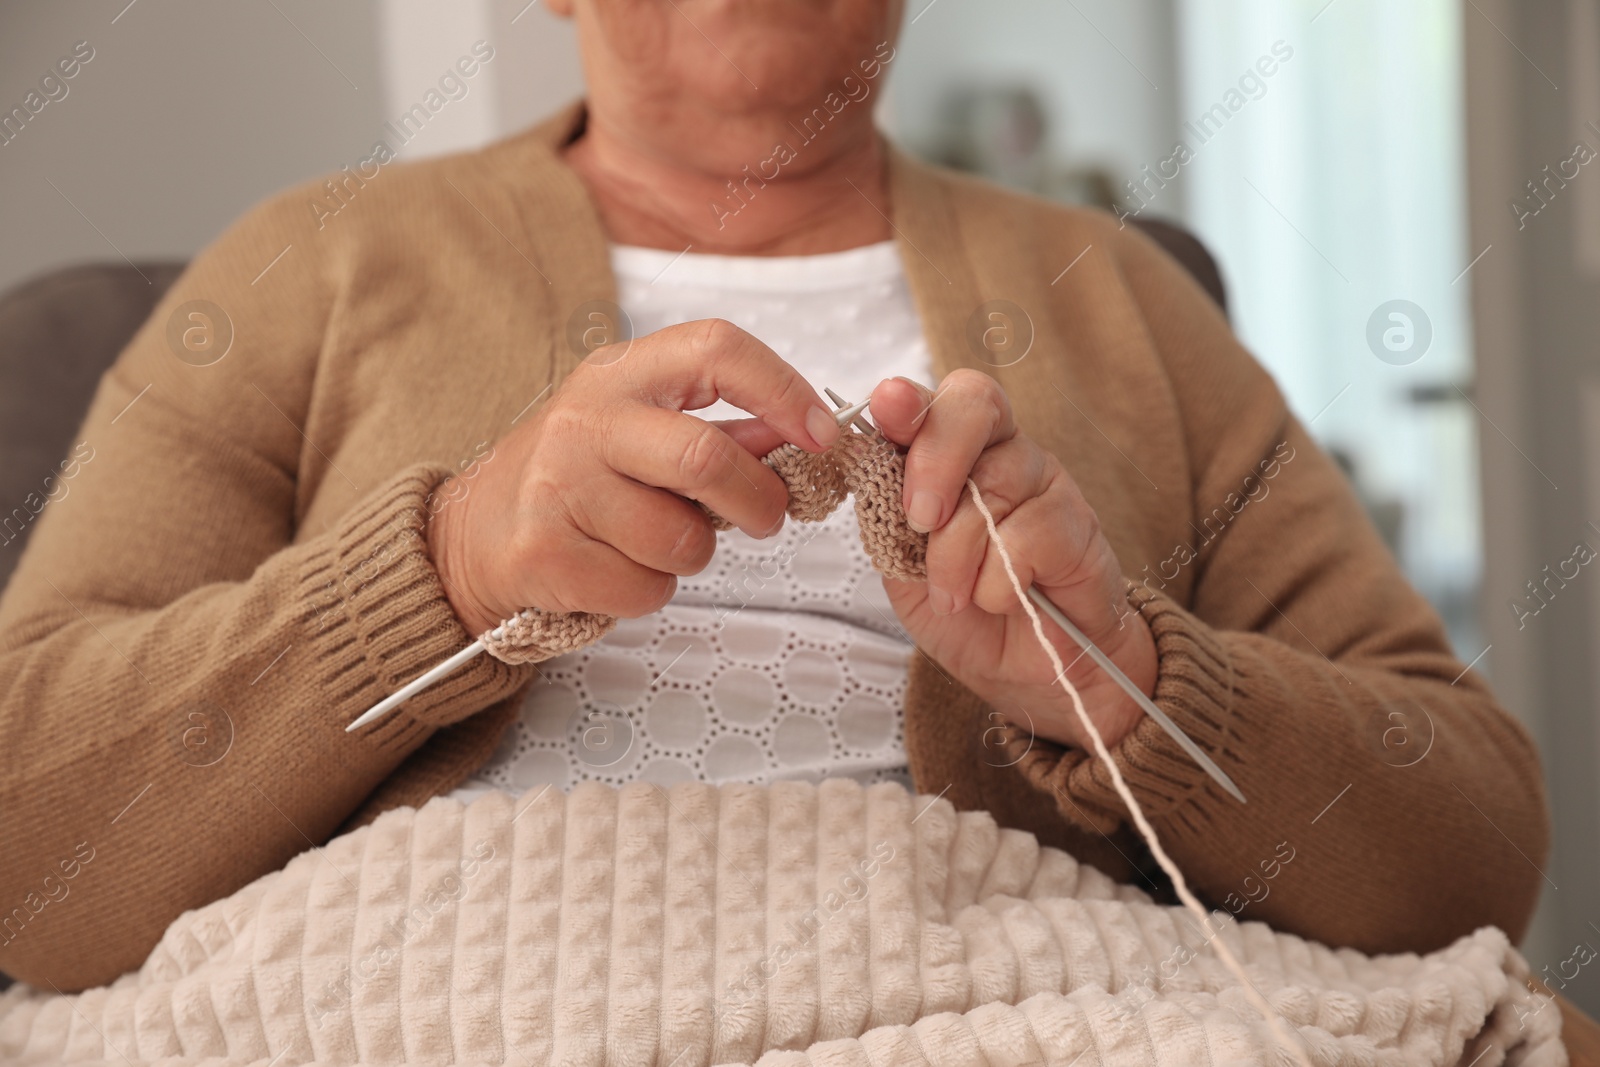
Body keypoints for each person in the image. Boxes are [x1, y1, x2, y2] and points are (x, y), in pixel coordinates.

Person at [0, 0, 1547, 993]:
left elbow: (1468, 843)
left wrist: (1123, 683)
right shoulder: (310, 262)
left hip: (1052, 999)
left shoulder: (1124, 292)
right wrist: (447, 572)